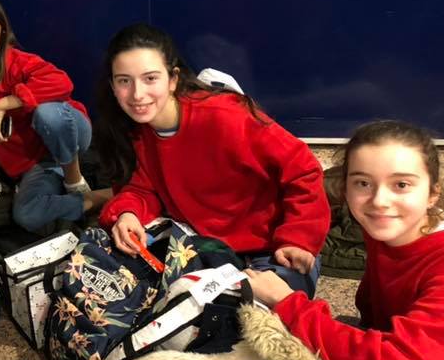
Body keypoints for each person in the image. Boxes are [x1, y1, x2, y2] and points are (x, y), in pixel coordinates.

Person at [233, 120, 444, 360]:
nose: (379, 201)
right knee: (300, 357)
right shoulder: (396, 232)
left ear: (432, 193)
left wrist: (288, 302)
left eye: (401, 184)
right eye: (363, 183)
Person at [94, 23, 330, 296]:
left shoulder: (225, 115)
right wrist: (128, 213)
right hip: (207, 249)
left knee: (269, 312)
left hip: (274, 247)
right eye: (124, 81)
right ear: (113, 86)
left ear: (173, 79)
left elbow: (304, 169)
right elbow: (141, 189)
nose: (137, 94)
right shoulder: (133, 132)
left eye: (150, 78)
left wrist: (299, 238)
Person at [0, 0, 108, 235]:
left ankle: (73, 179)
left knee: (48, 114)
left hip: (70, 134)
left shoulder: (15, 61)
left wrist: (5, 103)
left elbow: (62, 83)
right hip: (35, 162)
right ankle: (101, 197)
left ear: (2, 37)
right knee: (26, 215)